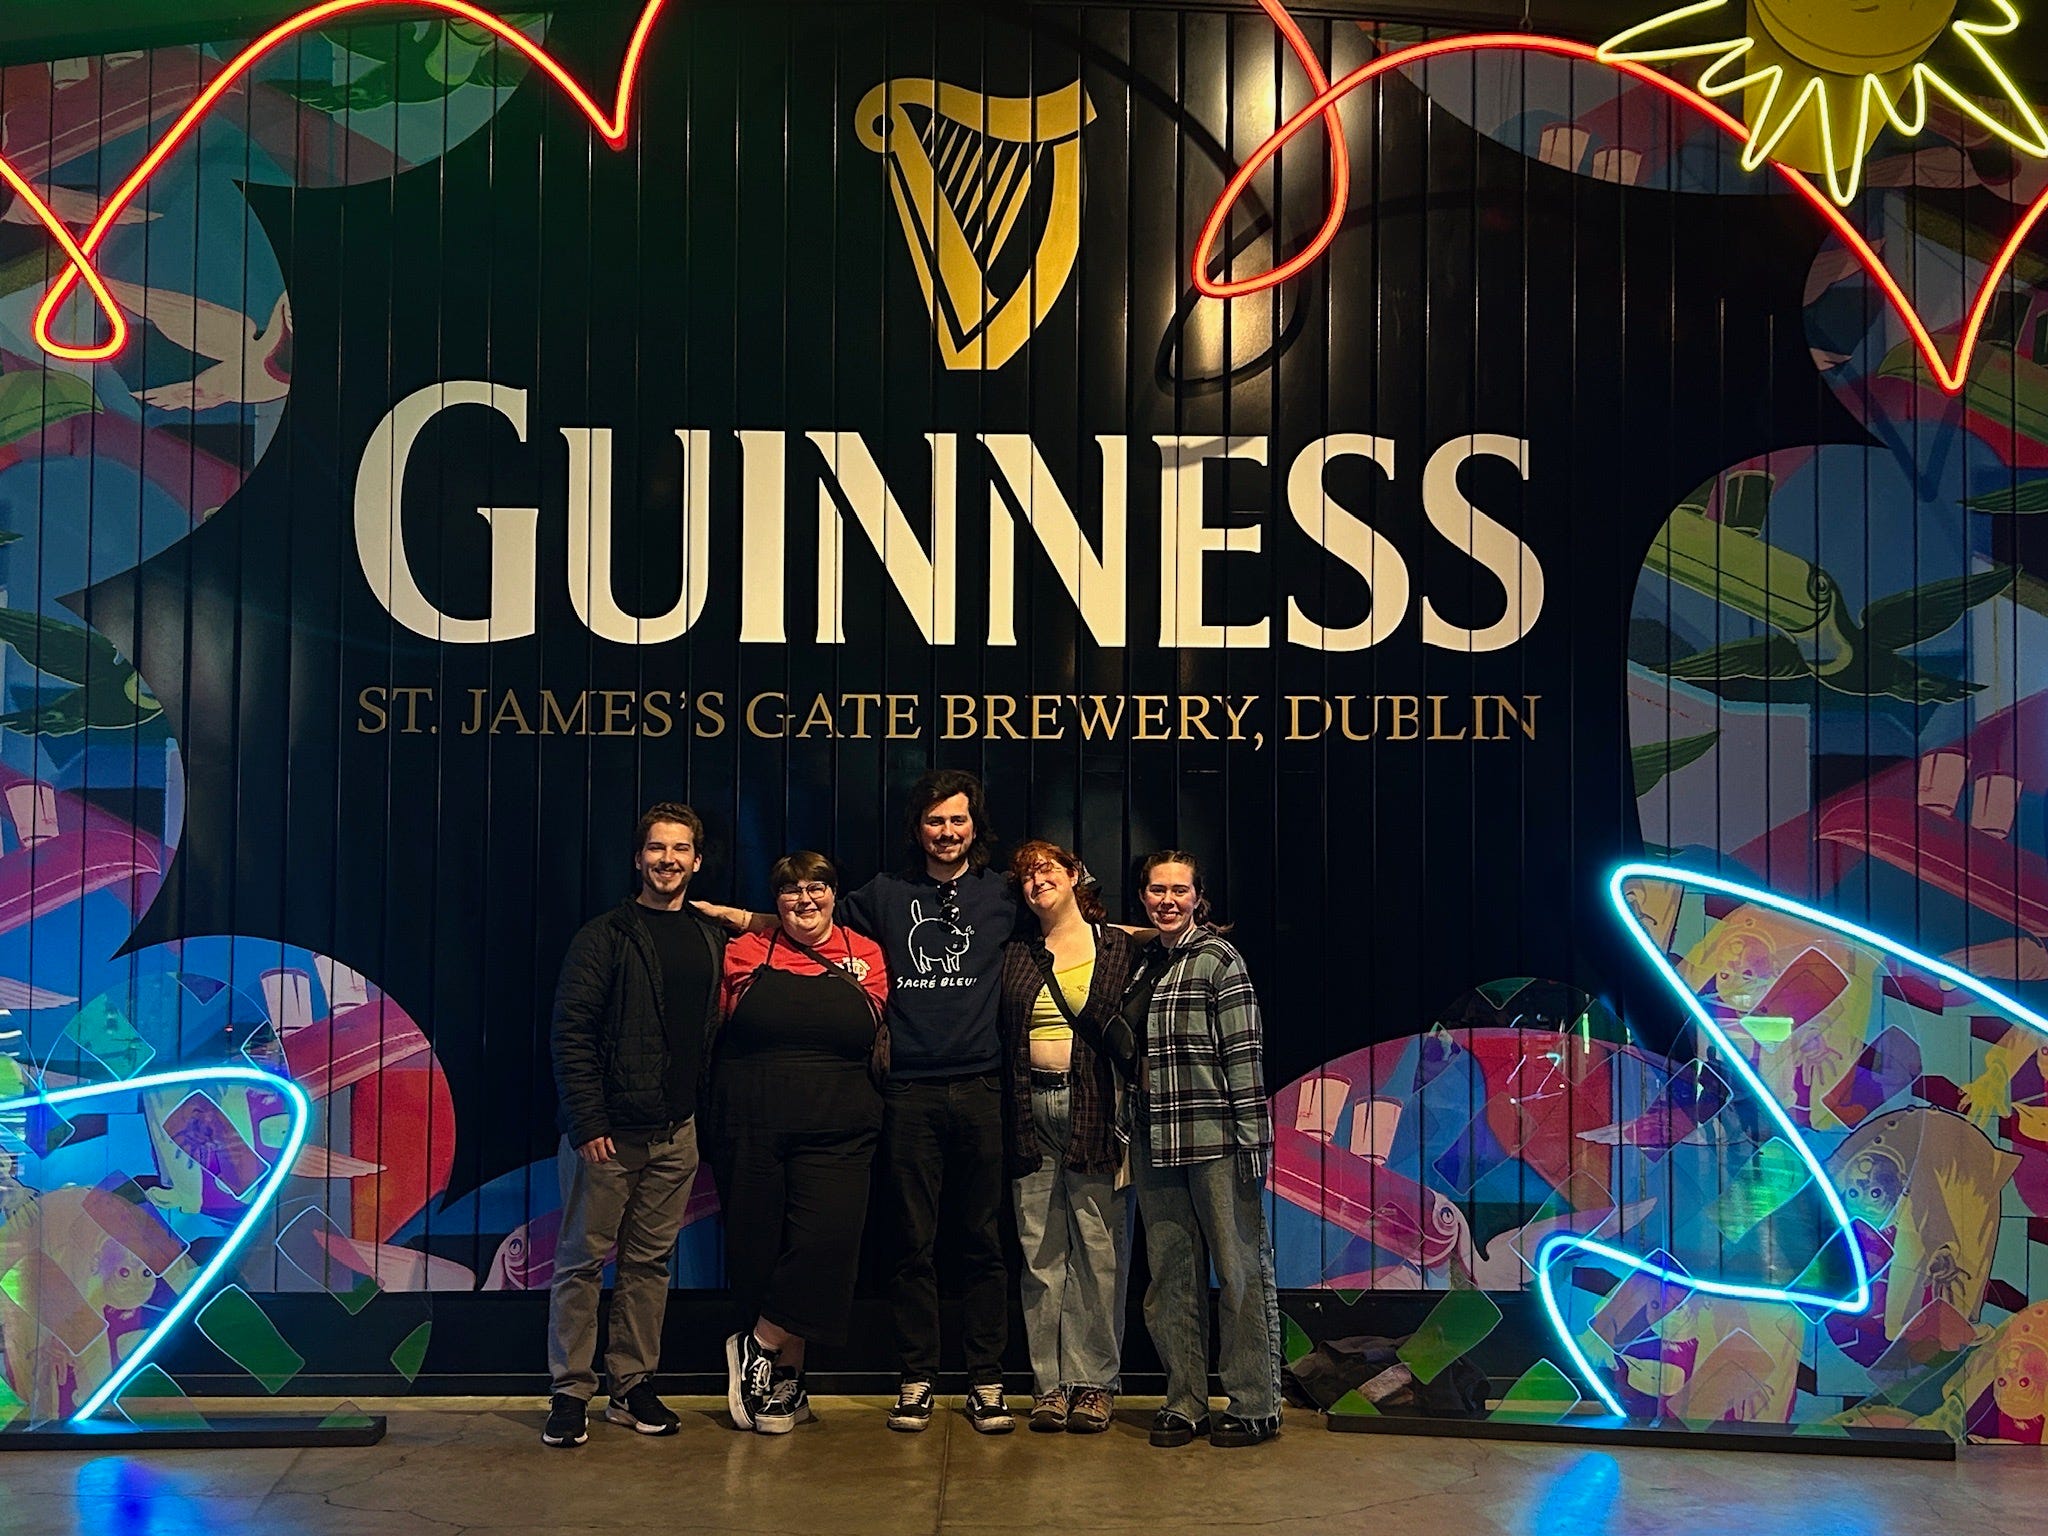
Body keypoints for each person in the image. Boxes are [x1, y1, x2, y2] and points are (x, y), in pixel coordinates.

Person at [699, 769, 1020, 1434]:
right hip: (906, 1091)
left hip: (982, 1086)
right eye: (934, 820)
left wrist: (1157, 934)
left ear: (974, 826)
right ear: (917, 829)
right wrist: (733, 916)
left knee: (983, 1241)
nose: (947, 831)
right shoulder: (884, 894)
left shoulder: (1002, 893)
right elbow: (804, 921)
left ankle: (987, 1380)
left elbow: (1072, 921)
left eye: (957, 819)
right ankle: (916, 1379)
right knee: (911, 1244)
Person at [542, 803, 727, 1448]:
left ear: (696, 861)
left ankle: (631, 1386)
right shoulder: (604, 936)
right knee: (580, 1264)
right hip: (607, 1137)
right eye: (656, 848)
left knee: (650, 1265)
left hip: (678, 1133)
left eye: (679, 849)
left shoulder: (708, 936)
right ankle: (570, 1392)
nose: (667, 860)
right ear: (638, 859)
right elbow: (571, 1033)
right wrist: (587, 1118)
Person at [711, 851, 889, 1435]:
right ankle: (785, 1383)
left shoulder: (866, 953)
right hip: (751, 1123)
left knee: (826, 1243)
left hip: (842, 1126)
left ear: (835, 894)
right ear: (776, 900)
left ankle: (759, 1344)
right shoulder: (743, 952)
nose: (804, 899)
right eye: (791, 891)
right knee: (759, 1250)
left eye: (817, 887)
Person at [1130, 850, 1284, 1449]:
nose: (1167, 900)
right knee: (1170, 1276)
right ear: (1143, 896)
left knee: (1239, 1272)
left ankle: (1255, 1404)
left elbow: (1245, 1055)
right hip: (1156, 1139)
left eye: (1179, 890)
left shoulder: (1219, 959)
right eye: (1156, 889)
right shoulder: (1145, 964)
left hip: (1218, 1139)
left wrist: (1253, 1141)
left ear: (1199, 897)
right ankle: (1185, 1402)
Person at [999, 840, 1142, 1433]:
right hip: (1027, 1108)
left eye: (1047, 869)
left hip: (1096, 1109)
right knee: (1040, 1253)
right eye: (1027, 876)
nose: (1038, 881)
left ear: (1074, 874)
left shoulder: (1117, 946)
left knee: (1100, 1253)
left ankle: (1094, 1384)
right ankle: (1049, 1386)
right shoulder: (1016, 951)